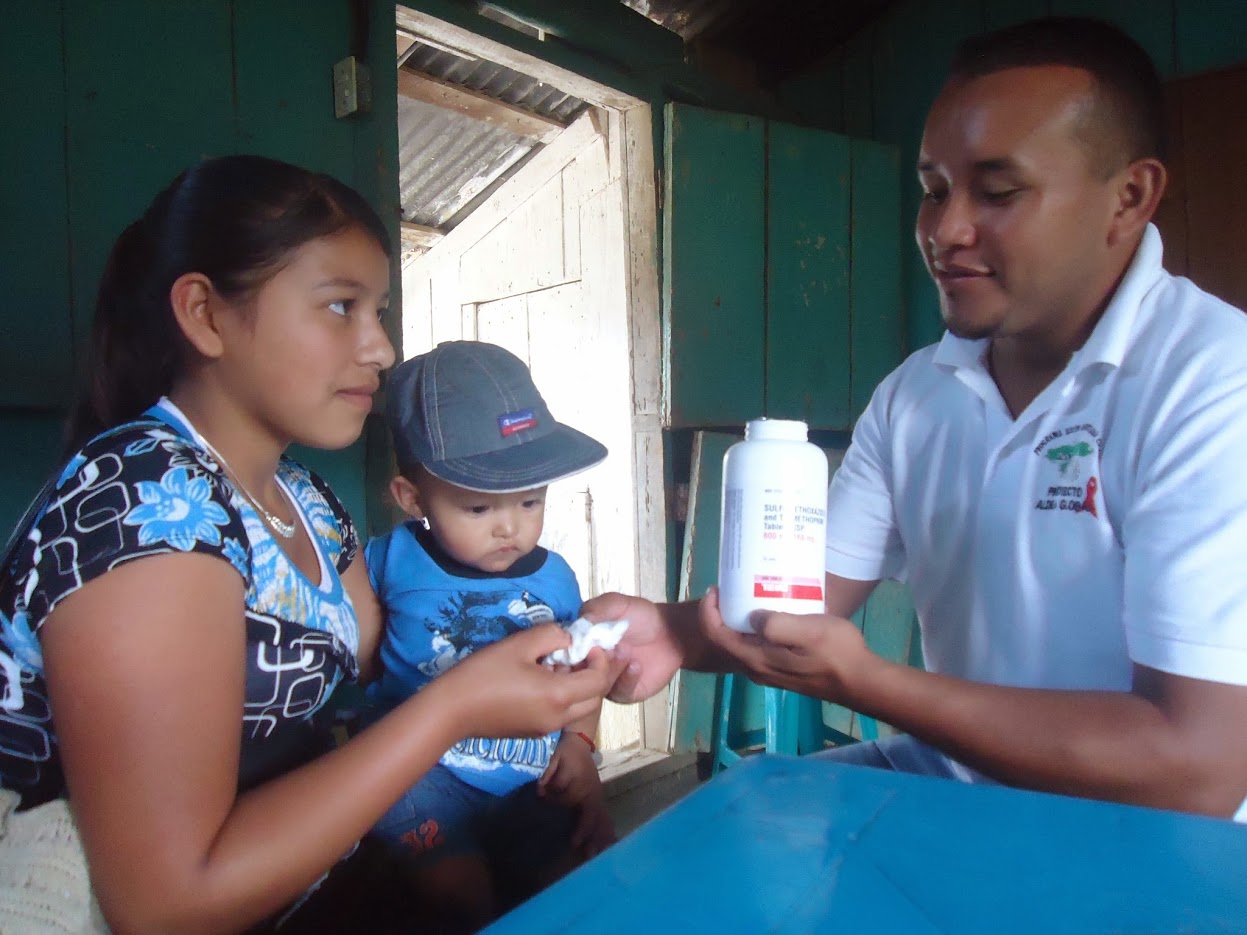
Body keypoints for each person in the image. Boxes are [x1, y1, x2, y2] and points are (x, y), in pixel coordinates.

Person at [588, 16, 1247, 820]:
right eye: (933, 190)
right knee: (726, 830)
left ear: (1128, 198)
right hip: (952, 779)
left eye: (997, 192)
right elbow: (804, 593)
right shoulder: (915, 395)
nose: (944, 230)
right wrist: (668, 631)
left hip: (1150, 833)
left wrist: (868, 681)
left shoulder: (1212, 384)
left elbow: (1197, 768)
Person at [0, 155, 615, 933]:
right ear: (205, 315)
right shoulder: (145, 506)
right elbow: (167, 904)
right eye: (339, 306)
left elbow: (396, 656)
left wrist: (598, 638)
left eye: (378, 310)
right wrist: (455, 708)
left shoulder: (307, 503)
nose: (381, 348)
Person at [361, 340, 615, 930]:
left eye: (530, 501)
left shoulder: (555, 578)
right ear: (412, 498)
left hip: (532, 777)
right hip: (422, 778)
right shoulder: (388, 560)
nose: (510, 528)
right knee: (459, 896)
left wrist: (581, 747)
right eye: (478, 509)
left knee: (578, 886)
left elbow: (582, 670)